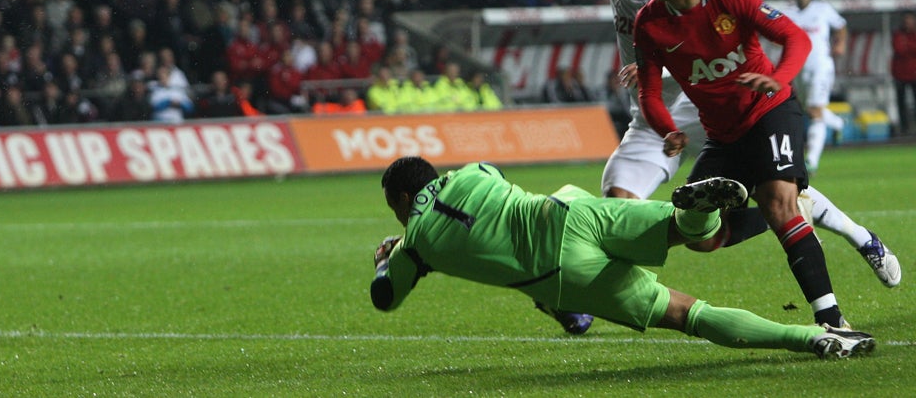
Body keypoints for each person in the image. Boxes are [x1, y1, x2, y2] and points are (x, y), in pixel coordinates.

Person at [551, 0, 899, 320]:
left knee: (779, 195)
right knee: (646, 216)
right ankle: (588, 300)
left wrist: (773, 80)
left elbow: (785, 40)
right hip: (661, 119)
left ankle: (854, 246)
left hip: (722, 105)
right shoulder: (633, 0)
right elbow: (647, 80)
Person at [371, 156, 875, 360]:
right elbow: (490, 198)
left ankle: (814, 339)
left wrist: (386, 260)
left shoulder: (414, 245)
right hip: (571, 214)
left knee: (686, 313)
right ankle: (700, 213)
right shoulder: (474, 170)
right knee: (680, 227)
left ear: (398, 202)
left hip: (564, 273)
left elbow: (385, 300)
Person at [634, 0, 858, 329]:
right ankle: (799, 209)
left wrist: (780, 77)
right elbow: (649, 93)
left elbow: (795, 39)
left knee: (777, 202)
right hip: (722, 135)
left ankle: (832, 320)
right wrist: (668, 129)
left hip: (769, 110)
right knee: (697, 233)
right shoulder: (649, 22)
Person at [780, 0, 848, 171]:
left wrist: (840, 43)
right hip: (798, 69)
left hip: (821, 67)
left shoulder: (823, 9)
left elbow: (841, 26)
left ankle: (811, 160)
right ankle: (837, 124)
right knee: (806, 109)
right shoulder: (787, 14)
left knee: (814, 111)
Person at [891, 11, 916, 135]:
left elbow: (906, 48)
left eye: (910, 20)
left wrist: (908, 46)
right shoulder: (898, 34)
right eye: (906, 20)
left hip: (914, 73)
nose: (908, 23)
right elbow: (899, 49)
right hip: (900, 74)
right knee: (901, 103)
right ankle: (904, 129)